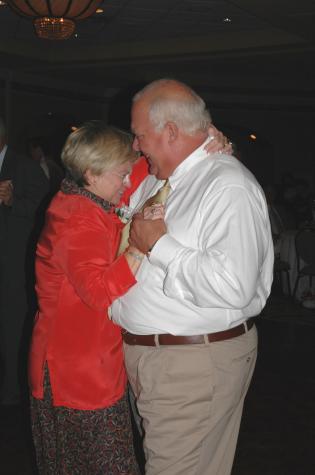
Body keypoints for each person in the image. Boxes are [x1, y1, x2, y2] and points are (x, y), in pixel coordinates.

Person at [111, 79, 274, 475]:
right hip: (149, 359)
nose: (134, 145)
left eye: (139, 135)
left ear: (170, 131)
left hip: (192, 365)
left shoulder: (228, 186)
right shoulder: (153, 179)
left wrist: (160, 245)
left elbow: (234, 286)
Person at [28, 121, 148, 474]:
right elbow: (97, 292)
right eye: (120, 175)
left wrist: (205, 145)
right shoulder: (78, 219)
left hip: (80, 360)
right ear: (92, 173)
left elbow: (140, 167)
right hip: (76, 372)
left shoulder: (82, 195)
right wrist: (140, 246)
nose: (127, 184)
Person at [0, 117, 49, 405]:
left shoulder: (25, 167)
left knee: (13, 324)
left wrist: (12, 201)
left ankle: (13, 392)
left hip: (13, 263)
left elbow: (45, 211)